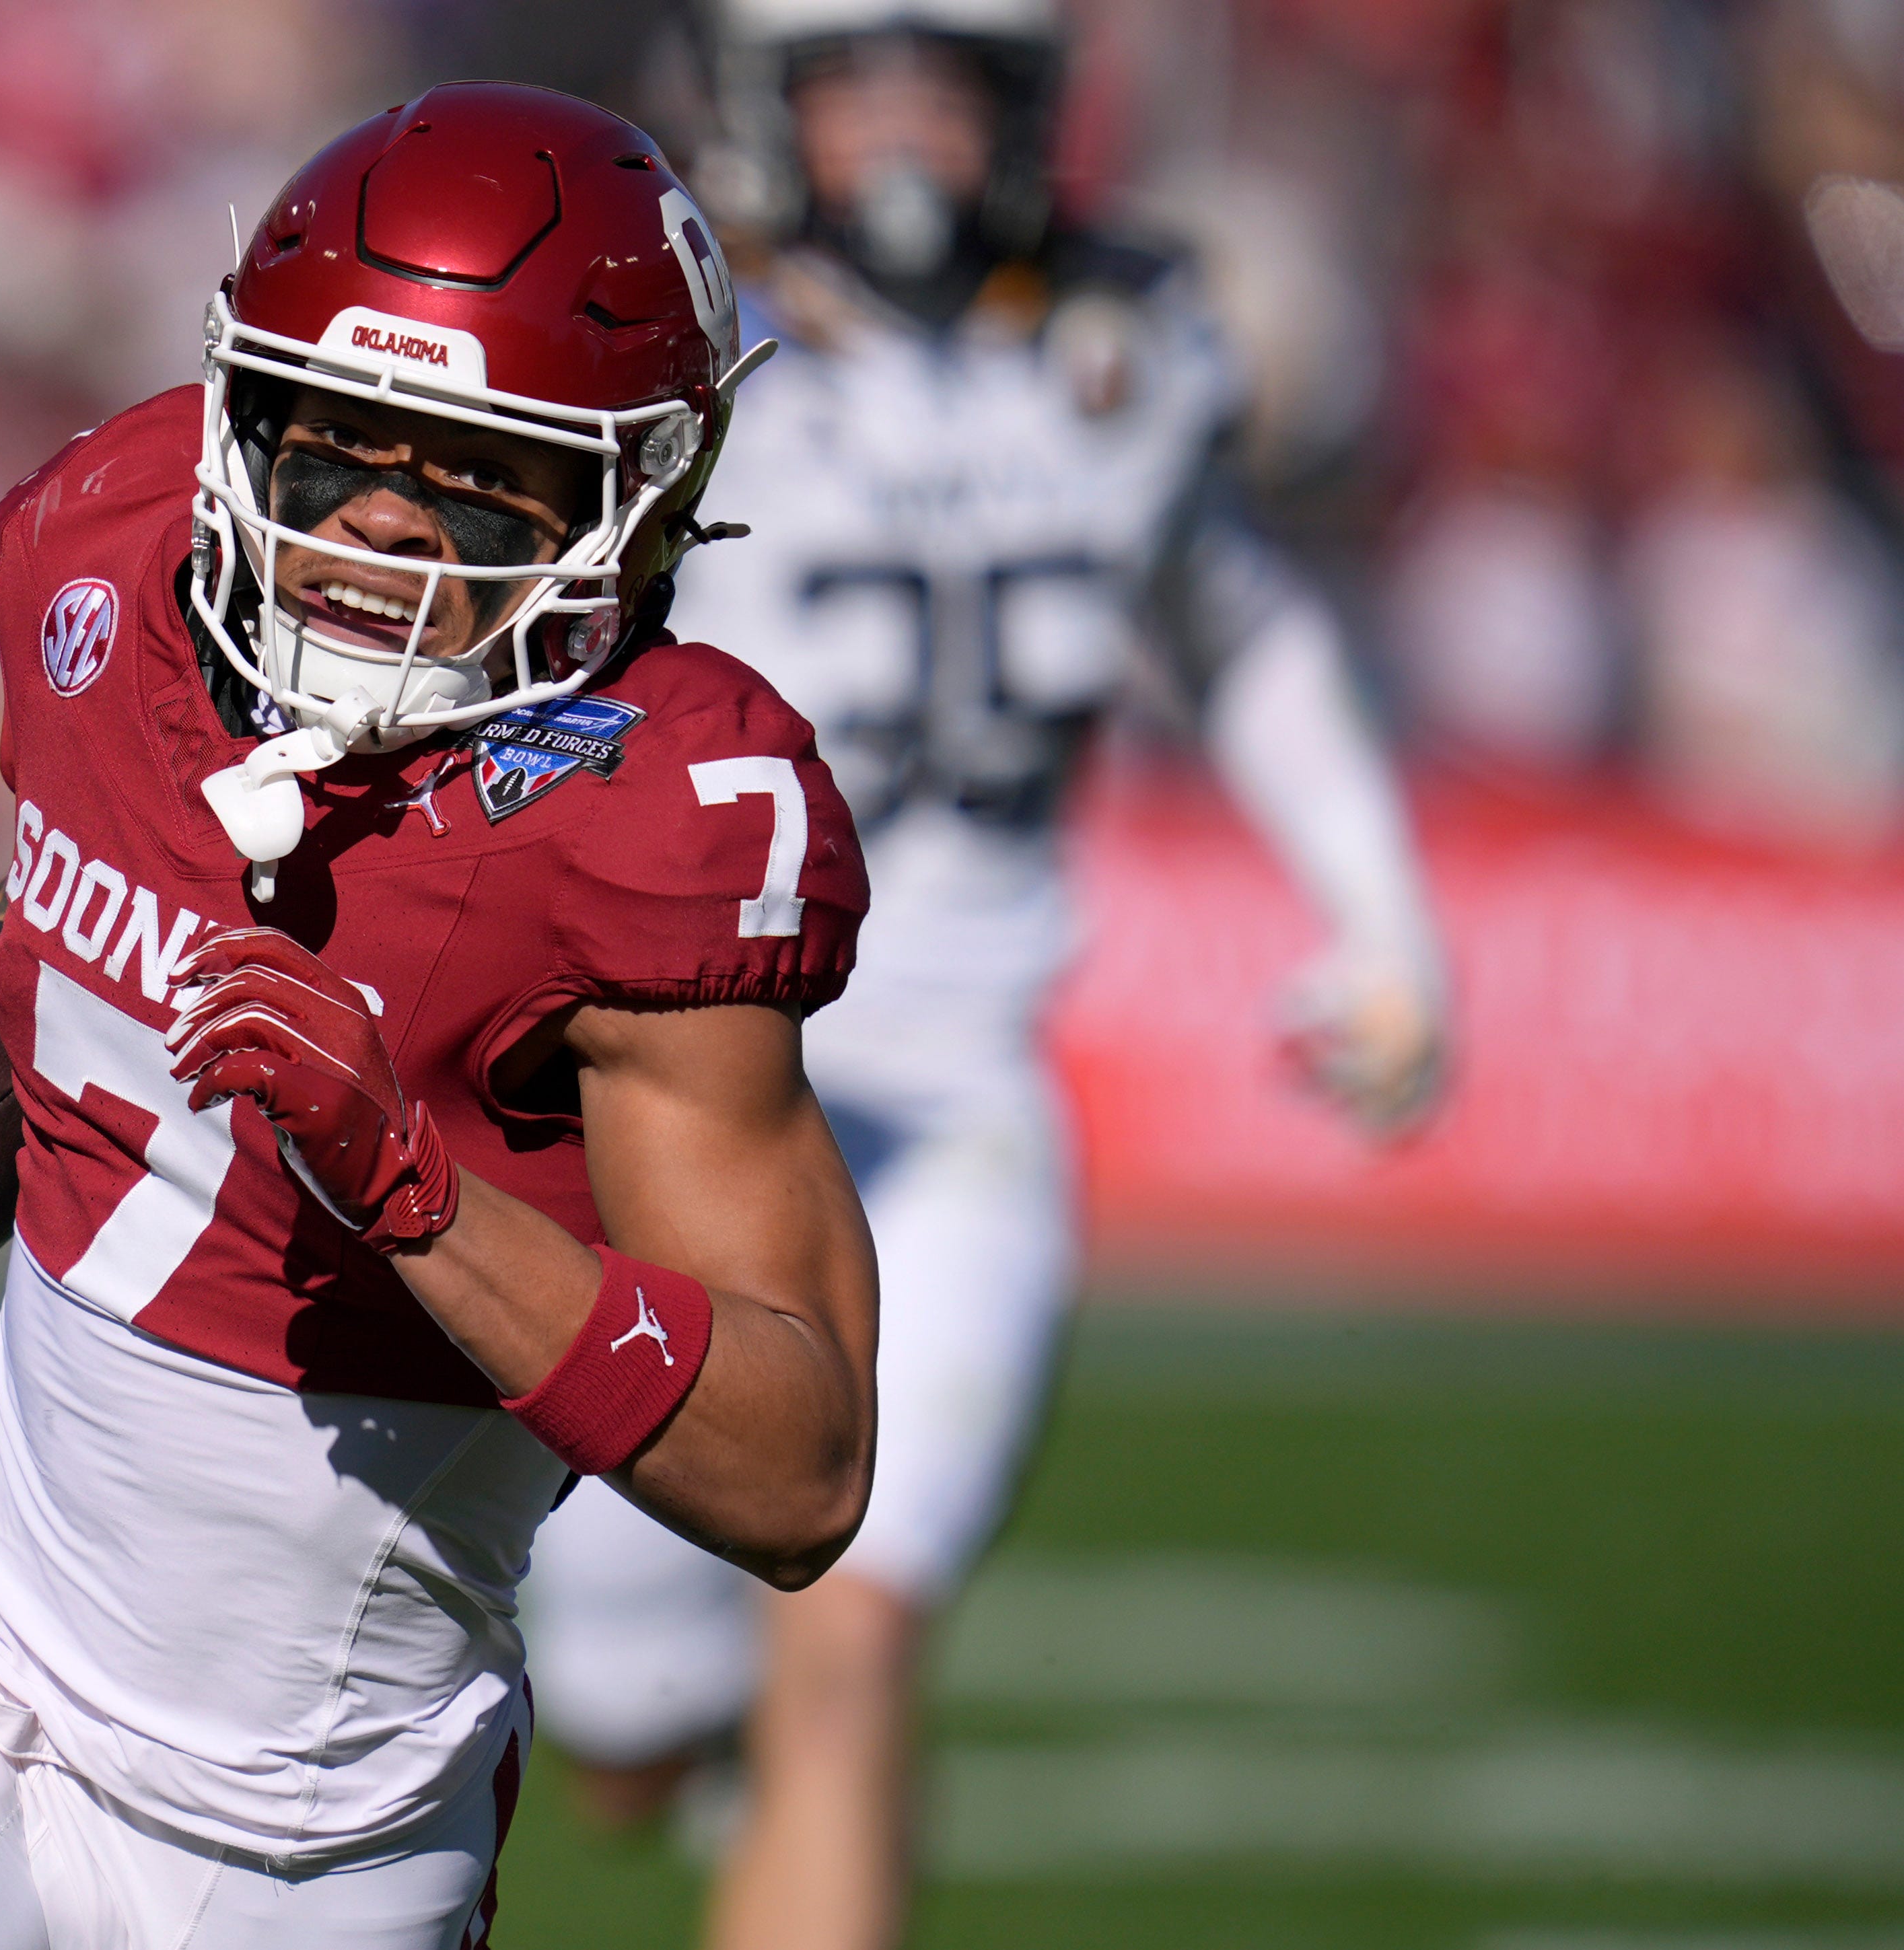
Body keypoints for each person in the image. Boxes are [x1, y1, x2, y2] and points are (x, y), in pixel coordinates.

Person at [0, 83, 880, 1950]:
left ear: (640, 496)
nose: (370, 527)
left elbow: (799, 1464)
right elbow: (56, 942)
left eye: (468, 470)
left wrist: (417, 1193)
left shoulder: (650, 813)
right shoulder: (105, 548)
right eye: (331, 439)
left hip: (312, 1845)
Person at [518, 7, 1450, 1949]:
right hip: (668, 1083)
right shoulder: (667, 342)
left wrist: (1379, 913)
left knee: (850, 1636)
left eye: (952, 86)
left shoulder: (1123, 350)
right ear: (771, 113)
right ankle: (676, 1742)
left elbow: (1237, 620)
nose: (910, 137)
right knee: (609, 1722)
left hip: (949, 1105)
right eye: (859, 87)